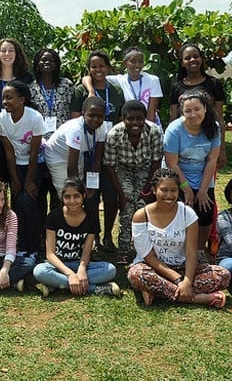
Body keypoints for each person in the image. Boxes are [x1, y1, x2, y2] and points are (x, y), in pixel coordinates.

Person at [127, 168, 230, 308]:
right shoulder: (141, 216)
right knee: (136, 275)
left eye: (173, 190)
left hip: (182, 267)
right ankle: (196, 298)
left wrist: (187, 281)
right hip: (151, 268)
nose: (169, 195)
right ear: (153, 190)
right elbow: (149, 258)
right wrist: (178, 280)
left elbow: (191, 252)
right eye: (164, 190)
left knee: (223, 274)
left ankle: (157, 290)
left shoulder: (188, 214)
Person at [71, 50, 124, 251]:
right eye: (93, 66)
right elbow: (75, 118)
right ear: (88, 69)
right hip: (88, 152)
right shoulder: (81, 91)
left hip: (111, 152)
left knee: (111, 198)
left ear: (108, 67)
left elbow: (120, 119)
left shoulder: (116, 91)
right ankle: (92, 236)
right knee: (91, 197)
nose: (98, 70)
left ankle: (109, 236)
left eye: (101, 66)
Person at [33, 178, 120, 297]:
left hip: (80, 263)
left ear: (83, 196)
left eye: (76, 196)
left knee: (110, 270)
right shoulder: (53, 216)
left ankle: (57, 285)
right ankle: (93, 288)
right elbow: (50, 254)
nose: (72, 201)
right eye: (67, 197)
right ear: (62, 197)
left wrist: (82, 269)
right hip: (58, 265)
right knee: (39, 271)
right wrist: (70, 274)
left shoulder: (91, 218)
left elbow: (86, 252)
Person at [103, 100, 163, 264]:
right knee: (129, 204)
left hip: (146, 169)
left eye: (139, 118)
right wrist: (121, 194)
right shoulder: (114, 134)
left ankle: (143, 248)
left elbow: (156, 161)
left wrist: (148, 188)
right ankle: (124, 249)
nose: (135, 123)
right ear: (123, 118)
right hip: (123, 169)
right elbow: (110, 166)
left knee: (144, 205)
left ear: (145, 118)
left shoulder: (154, 132)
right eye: (130, 119)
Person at [164, 90, 220, 259]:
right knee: (181, 211)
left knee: (205, 211)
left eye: (197, 109)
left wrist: (203, 190)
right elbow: (172, 163)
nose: (193, 114)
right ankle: (178, 250)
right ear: (182, 112)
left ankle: (200, 250)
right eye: (188, 111)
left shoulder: (213, 127)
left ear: (205, 108)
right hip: (178, 175)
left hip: (203, 175)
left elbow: (212, 160)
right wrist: (186, 188)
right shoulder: (174, 130)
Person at [0, 80, 46, 256]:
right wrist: (15, 180)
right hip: (16, 165)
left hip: (36, 164)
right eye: (3, 98)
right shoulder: (1, 118)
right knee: (17, 203)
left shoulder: (34, 118)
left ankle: (35, 246)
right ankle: (21, 244)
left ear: (22, 99)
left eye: (9, 98)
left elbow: (34, 153)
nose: (5, 102)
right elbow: (9, 152)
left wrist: (29, 181)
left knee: (29, 201)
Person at [30, 48, 75, 218]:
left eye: (51, 60)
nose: (46, 63)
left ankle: (56, 228)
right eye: (42, 60)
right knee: (40, 192)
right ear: (37, 64)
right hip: (39, 146)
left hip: (61, 146)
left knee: (59, 191)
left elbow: (73, 113)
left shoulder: (66, 85)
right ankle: (42, 233)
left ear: (57, 64)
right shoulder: (31, 87)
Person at [169, 43, 227, 167]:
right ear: (182, 63)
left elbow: (219, 119)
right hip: (183, 142)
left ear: (202, 59)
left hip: (208, 140)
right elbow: (173, 117)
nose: (192, 60)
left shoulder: (214, 84)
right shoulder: (176, 86)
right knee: (181, 182)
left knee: (206, 180)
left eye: (196, 56)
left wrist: (221, 149)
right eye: (187, 58)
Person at [81, 46, 162, 127]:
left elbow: (152, 112)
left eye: (140, 61)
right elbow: (87, 78)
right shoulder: (119, 80)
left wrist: (148, 131)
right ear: (125, 63)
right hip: (131, 127)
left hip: (150, 126)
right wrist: (91, 92)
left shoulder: (153, 80)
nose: (137, 65)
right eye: (133, 62)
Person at [44, 96, 107, 194]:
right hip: (57, 156)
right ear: (83, 114)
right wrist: (77, 189)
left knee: (80, 188)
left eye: (100, 116)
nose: (96, 119)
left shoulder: (102, 127)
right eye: (91, 115)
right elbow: (72, 168)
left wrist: (92, 185)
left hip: (78, 154)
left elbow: (97, 159)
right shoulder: (75, 130)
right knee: (65, 190)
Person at [0, 38, 33, 116]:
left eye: (11, 50)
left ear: (16, 53)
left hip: (20, 125)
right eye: (3, 51)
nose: (7, 54)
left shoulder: (26, 77)